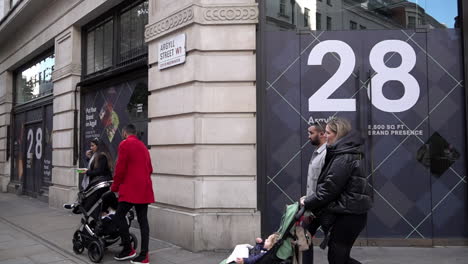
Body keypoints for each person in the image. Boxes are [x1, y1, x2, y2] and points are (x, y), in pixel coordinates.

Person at [300, 117, 372, 264]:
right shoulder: (343, 153)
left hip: (349, 215)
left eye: (327, 133)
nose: (324, 136)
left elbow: (329, 189)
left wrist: (307, 202)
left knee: (337, 258)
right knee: (338, 257)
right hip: (348, 213)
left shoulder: (343, 157)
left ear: (337, 134)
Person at [112, 124, 155, 264]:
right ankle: (144, 255)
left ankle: (128, 249)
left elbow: (120, 168)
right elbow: (150, 168)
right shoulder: (143, 146)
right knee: (143, 221)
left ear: (125, 133)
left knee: (119, 216)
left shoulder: (125, 144)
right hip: (144, 188)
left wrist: (114, 187)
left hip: (131, 188)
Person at [301, 120, 328, 264]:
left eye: (311, 133)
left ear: (322, 134)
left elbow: (327, 185)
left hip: (324, 207)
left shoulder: (327, 154)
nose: (308, 136)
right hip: (314, 206)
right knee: (303, 235)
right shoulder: (317, 153)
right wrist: (308, 198)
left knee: (338, 252)